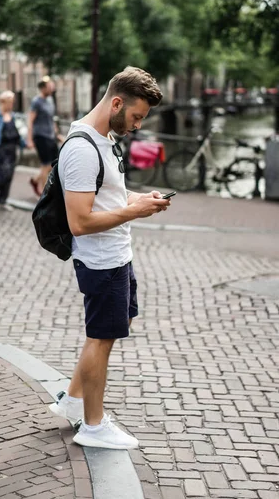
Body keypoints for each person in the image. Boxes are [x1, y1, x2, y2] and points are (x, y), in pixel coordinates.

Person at [49, 66, 171, 450]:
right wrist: (135, 212)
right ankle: (93, 426)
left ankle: (72, 400)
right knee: (100, 338)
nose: (137, 125)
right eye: (135, 116)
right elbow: (81, 221)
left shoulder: (104, 139)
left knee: (111, 330)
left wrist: (140, 199)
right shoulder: (83, 150)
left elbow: (110, 197)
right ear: (116, 102)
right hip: (101, 261)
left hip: (117, 255)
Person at [27, 78, 64, 197]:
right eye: (49, 86)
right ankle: (44, 195)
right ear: (43, 88)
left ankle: (35, 180)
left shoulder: (50, 100)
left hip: (50, 136)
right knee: (45, 164)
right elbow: (30, 120)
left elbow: (51, 118)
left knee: (54, 163)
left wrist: (56, 133)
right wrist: (29, 139)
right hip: (40, 136)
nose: (52, 88)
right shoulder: (36, 102)